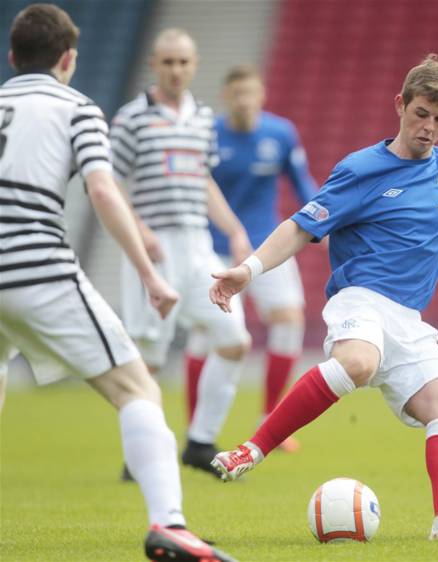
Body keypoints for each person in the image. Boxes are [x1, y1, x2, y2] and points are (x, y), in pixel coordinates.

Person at [208, 53, 438, 540]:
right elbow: (300, 226)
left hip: (408, 319)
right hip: (360, 299)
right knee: (358, 362)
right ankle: (253, 449)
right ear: (400, 105)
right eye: (421, 114)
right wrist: (248, 270)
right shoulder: (361, 169)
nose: (429, 127)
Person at [0, 5, 237, 560]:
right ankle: (170, 525)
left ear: (12, 57)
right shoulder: (78, 107)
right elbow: (104, 189)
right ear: (68, 59)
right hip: (34, 266)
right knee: (137, 389)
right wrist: (150, 274)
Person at [109, 29, 252, 476]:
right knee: (149, 357)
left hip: (197, 245)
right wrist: (139, 229)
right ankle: (139, 455)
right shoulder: (132, 118)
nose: (176, 70)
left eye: (183, 62)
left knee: (234, 340)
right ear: (154, 64)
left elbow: (203, 180)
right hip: (155, 249)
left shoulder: (203, 118)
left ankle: (200, 442)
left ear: (194, 65)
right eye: (168, 62)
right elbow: (109, 181)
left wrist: (234, 228)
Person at [184, 65, 318, 452]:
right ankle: (196, 432)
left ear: (262, 95)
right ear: (226, 97)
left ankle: (271, 420)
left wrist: (324, 221)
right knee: (205, 334)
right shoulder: (209, 134)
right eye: (237, 93)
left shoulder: (281, 134)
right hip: (215, 248)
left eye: (250, 93)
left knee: (289, 319)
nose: (244, 100)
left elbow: (302, 183)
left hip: (266, 246)